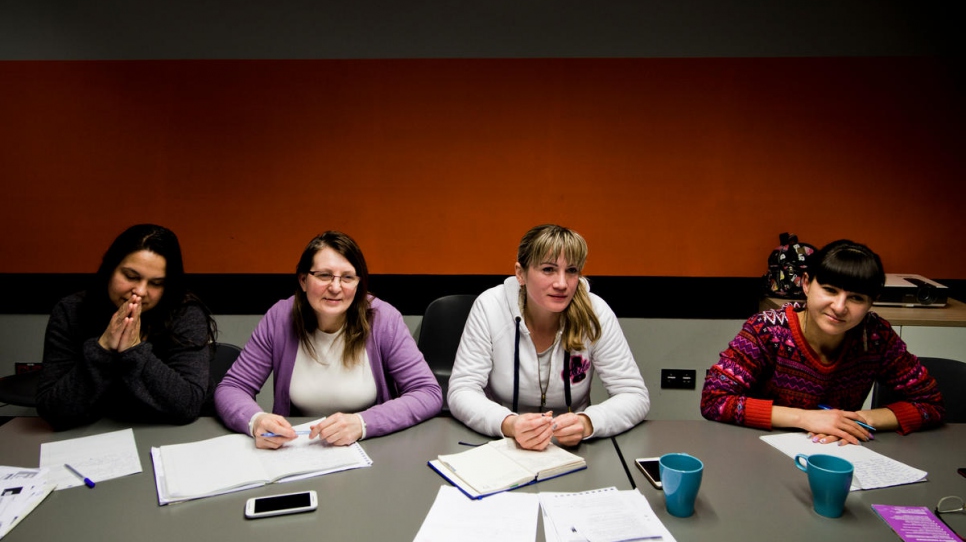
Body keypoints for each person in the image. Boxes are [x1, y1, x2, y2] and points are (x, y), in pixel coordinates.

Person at [701, 239, 944, 445]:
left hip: (836, 452)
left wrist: (856, 420)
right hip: (757, 448)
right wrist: (805, 418)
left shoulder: (875, 336)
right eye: (829, 290)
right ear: (806, 283)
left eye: (856, 298)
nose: (839, 307)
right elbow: (715, 399)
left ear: (872, 302)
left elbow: (930, 403)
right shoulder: (767, 329)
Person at [215, 231, 442, 448]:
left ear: (358, 284)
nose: (335, 287)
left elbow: (427, 392)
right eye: (324, 275)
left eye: (347, 277)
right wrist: (256, 420)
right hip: (299, 449)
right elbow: (232, 387)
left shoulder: (384, 319)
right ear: (303, 280)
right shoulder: (280, 318)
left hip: (372, 448)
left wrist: (363, 423)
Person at [448, 224, 650, 451]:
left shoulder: (595, 312)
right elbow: (462, 390)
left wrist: (586, 423)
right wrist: (509, 423)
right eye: (548, 269)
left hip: (571, 448)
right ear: (520, 273)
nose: (562, 284)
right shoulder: (490, 306)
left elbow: (634, 395)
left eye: (571, 270)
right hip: (502, 445)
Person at [37, 224, 217, 430]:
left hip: (171, 434)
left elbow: (188, 405)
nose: (140, 291)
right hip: (94, 435)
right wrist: (102, 348)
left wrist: (134, 349)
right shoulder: (71, 311)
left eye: (156, 283)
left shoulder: (185, 314)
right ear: (110, 269)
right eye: (131, 277)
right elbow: (52, 409)